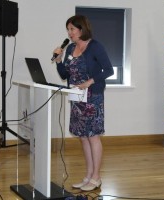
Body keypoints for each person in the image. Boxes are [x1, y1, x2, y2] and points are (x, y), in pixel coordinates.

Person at [52, 15, 114, 190]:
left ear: (82, 29)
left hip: (92, 97)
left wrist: (90, 81)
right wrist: (58, 60)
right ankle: (88, 176)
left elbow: (108, 70)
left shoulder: (95, 47)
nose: (69, 33)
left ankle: (96, 177)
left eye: (72, 29)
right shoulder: (71, 48)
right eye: (68, 29)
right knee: (83, 137)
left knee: (93, 136)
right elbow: (65, 74)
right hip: (76, 98)